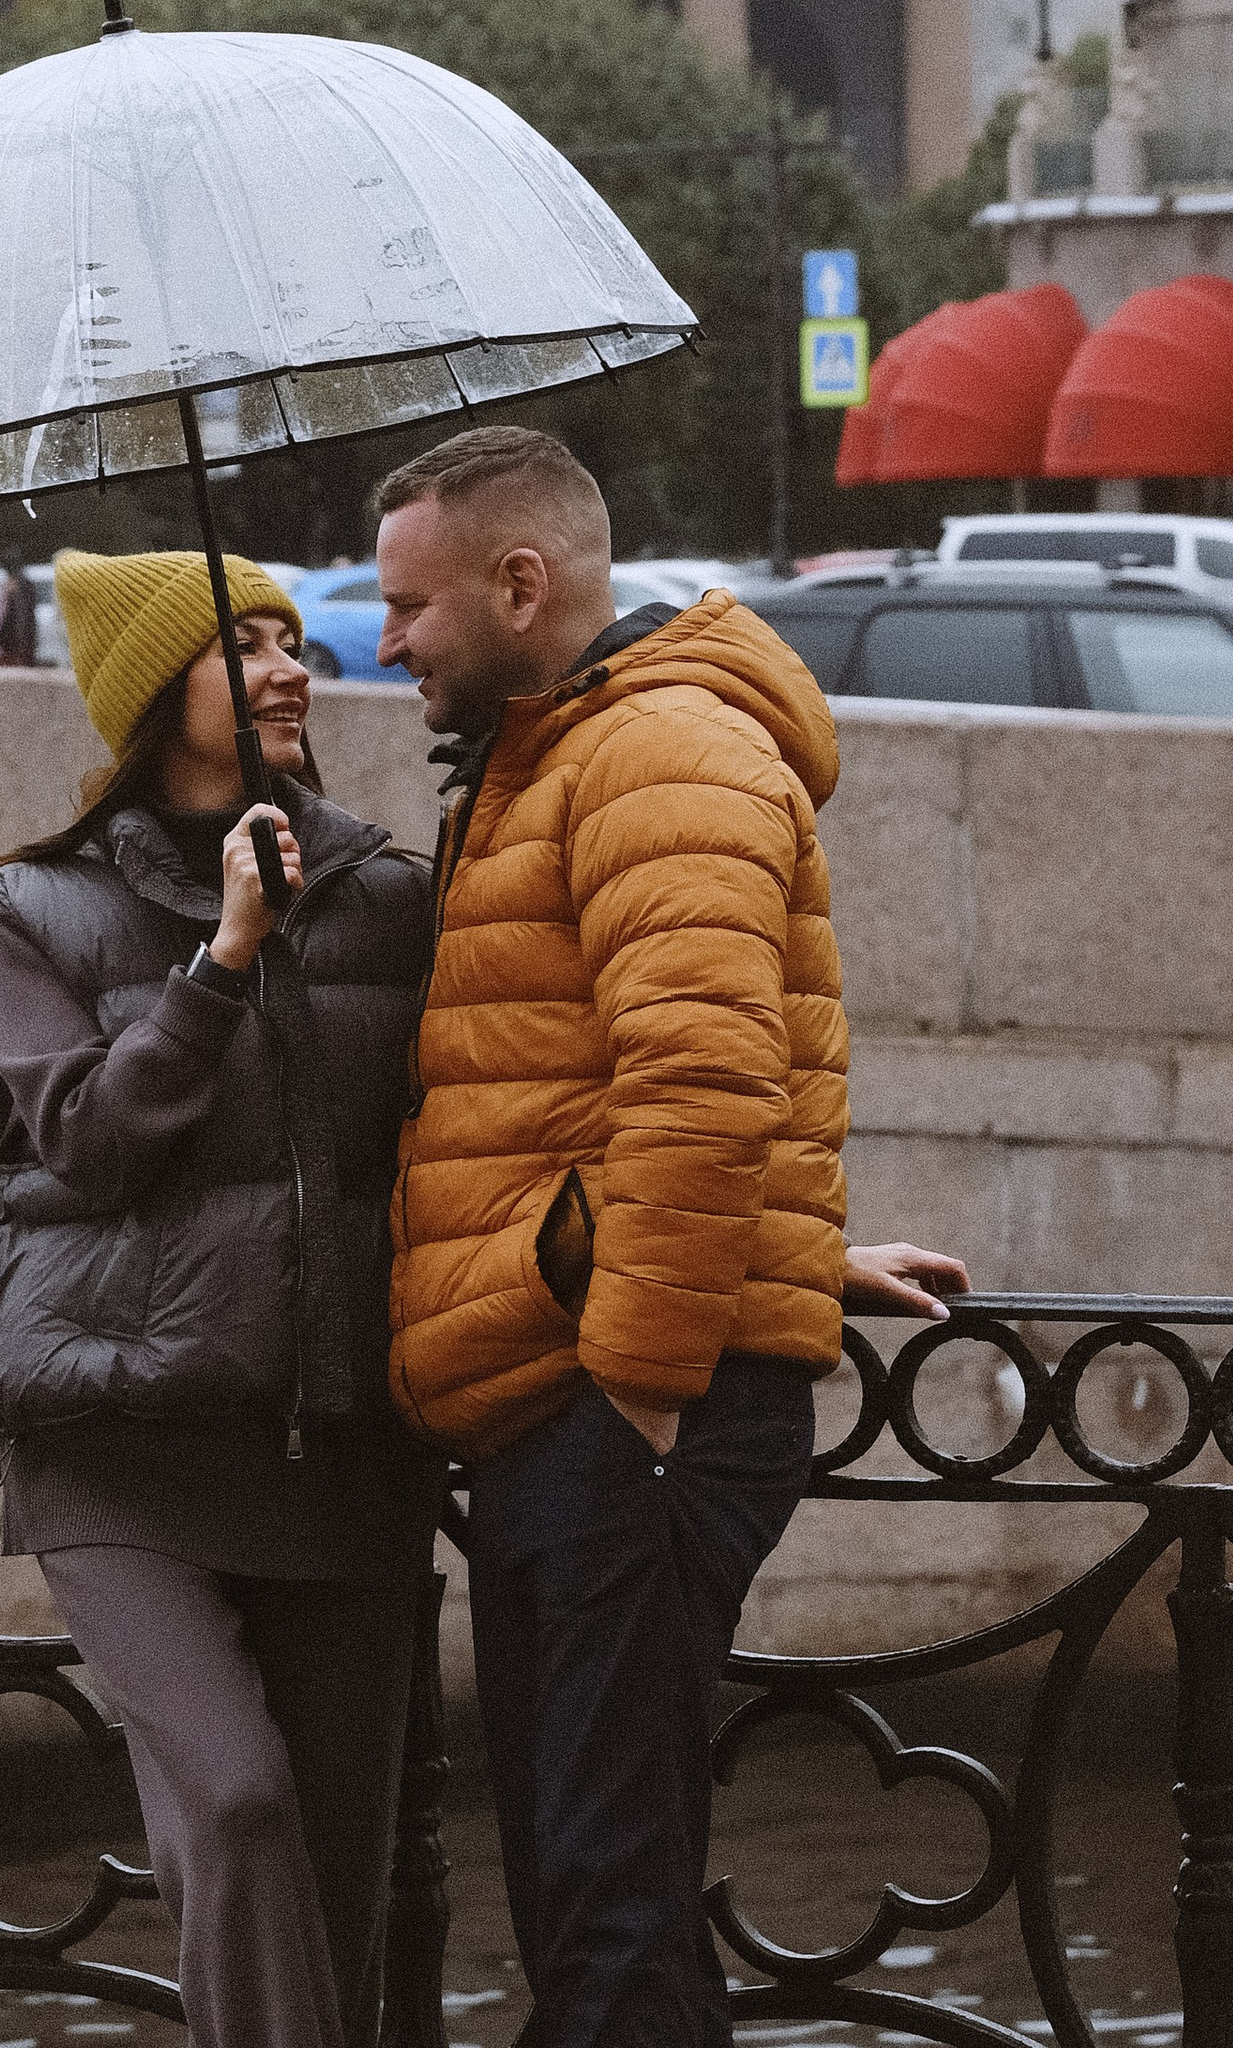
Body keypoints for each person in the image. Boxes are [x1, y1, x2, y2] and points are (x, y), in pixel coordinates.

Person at [372, 422, 967, 2047]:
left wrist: (639, 1388)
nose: (387, 638)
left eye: (411, 602)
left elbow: (700, 1082)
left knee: (612, 1902)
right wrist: (785, 1246)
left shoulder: (656, 752)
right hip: (580, 1385)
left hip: (621, 1403)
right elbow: (597, 1087)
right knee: (594, 1887)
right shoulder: (563, 752)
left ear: (520, 580)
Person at [0, 546, 442, 2048]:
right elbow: (83, 1140)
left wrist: (780, 1249)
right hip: (118, 1448)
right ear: (158, 693)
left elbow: (508, 1124)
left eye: (294, 639)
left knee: (334, 1894)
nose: (293, 667)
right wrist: (224, 957)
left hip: (338, 1442)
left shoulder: (388, 894)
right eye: (248, 644)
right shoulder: (23, 913)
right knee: (239, 1802)